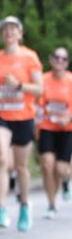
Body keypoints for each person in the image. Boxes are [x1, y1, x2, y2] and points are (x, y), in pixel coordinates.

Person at [0, 16, 42, 231]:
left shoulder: (30, 57)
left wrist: (19, 86)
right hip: (1, 113)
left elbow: (39, 89)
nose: (8, 33)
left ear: (20, 33)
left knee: (20, 166)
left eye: (13, 29)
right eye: (5, 29)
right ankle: (1, 210)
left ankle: (25, 206)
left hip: (24, 116)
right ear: (1, 35)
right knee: (1, 159)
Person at [37, 47, 72, 219]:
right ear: (51, 60)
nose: (59, 61)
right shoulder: (43, 80)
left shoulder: (71, 81)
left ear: (67, 62)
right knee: (47, 165)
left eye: (63, 59)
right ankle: (51, 204)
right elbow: (38, 103)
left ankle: (66, 180)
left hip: (67, 130)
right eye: (56, 58)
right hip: (47, 127)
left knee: (60, 169)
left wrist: (69, 117)